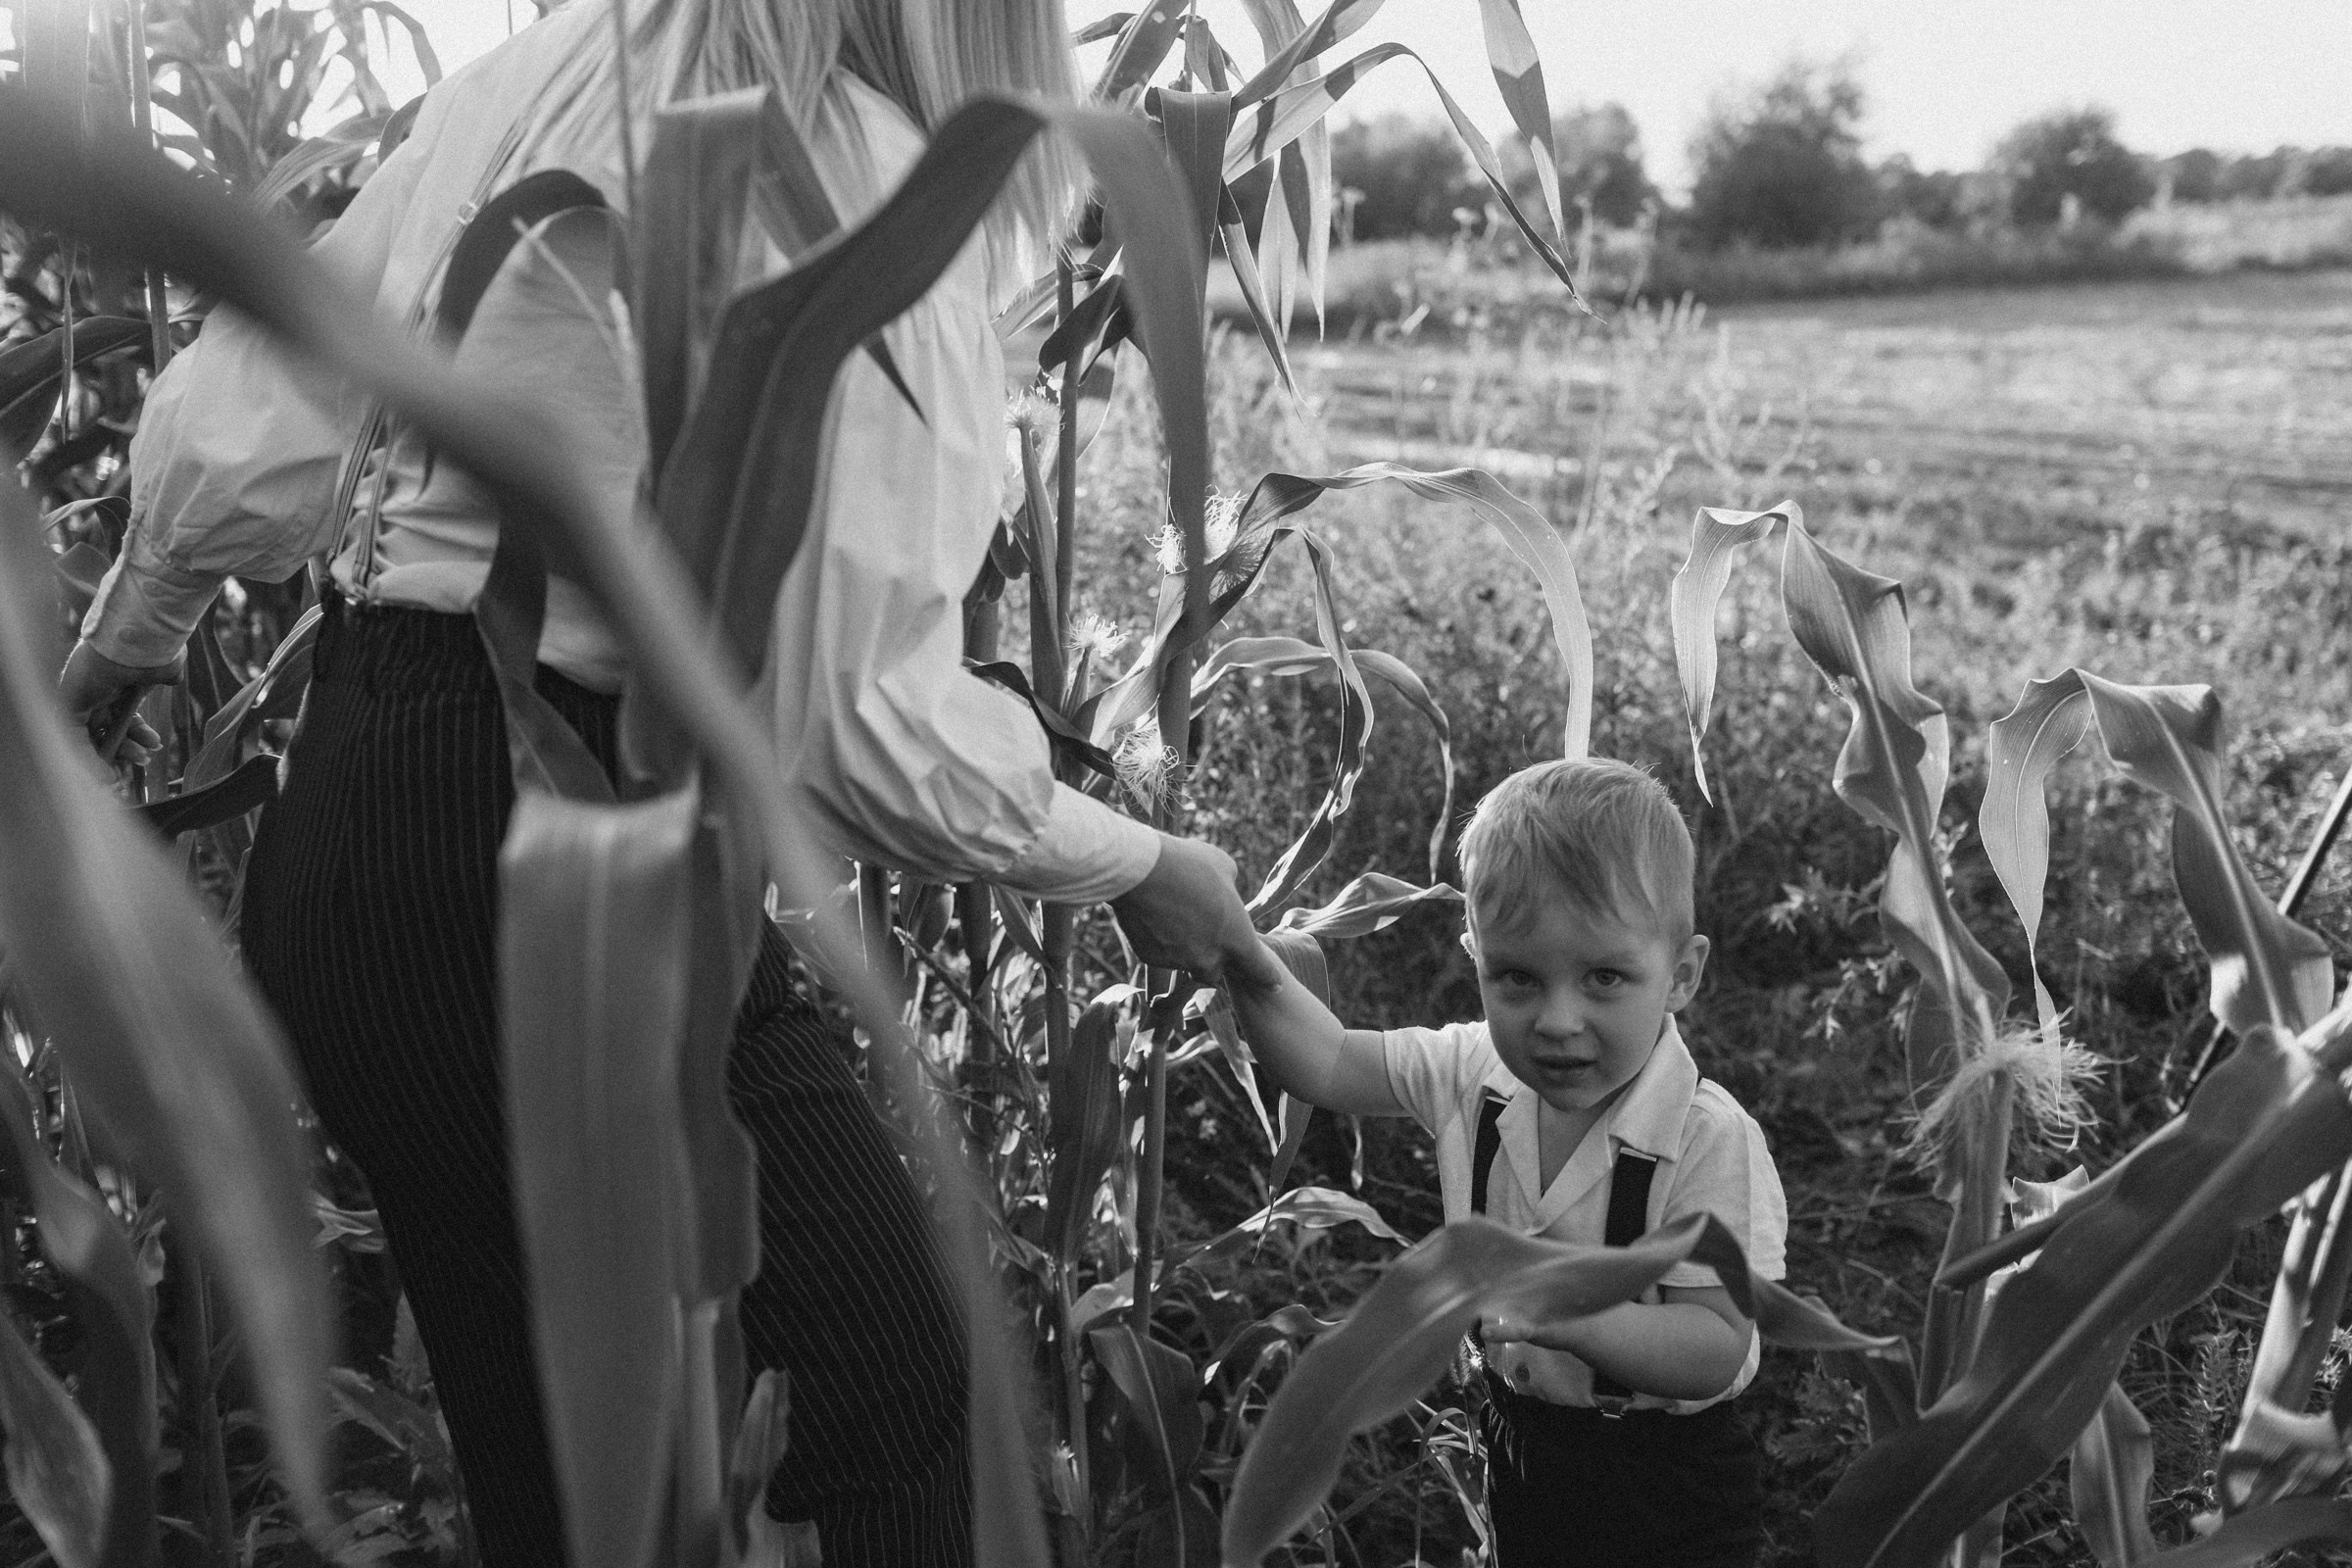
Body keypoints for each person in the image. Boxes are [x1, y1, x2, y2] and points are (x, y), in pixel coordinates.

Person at [59, 1, 1282, 1564]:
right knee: (902, 1398)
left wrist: (135, 628)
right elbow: (860, 728)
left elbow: (264, 394)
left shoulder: (534, 70)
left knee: (562, 1488)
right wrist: (1140, 864)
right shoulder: (856, 172)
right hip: (553, 840)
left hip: (356, 818)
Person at [1227, 758, 1787, 1568]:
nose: (1558, 1020)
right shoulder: (1471, 1072)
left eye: (1604, 978)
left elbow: (1713, 1348)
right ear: (1475, 959)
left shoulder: (1705, 1138)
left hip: (1666, 1482)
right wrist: (1234, 952)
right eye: (1517, 978)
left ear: (1682, 975)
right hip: (1521, 1444)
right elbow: (1329, 1062)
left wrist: (1563, 1309)